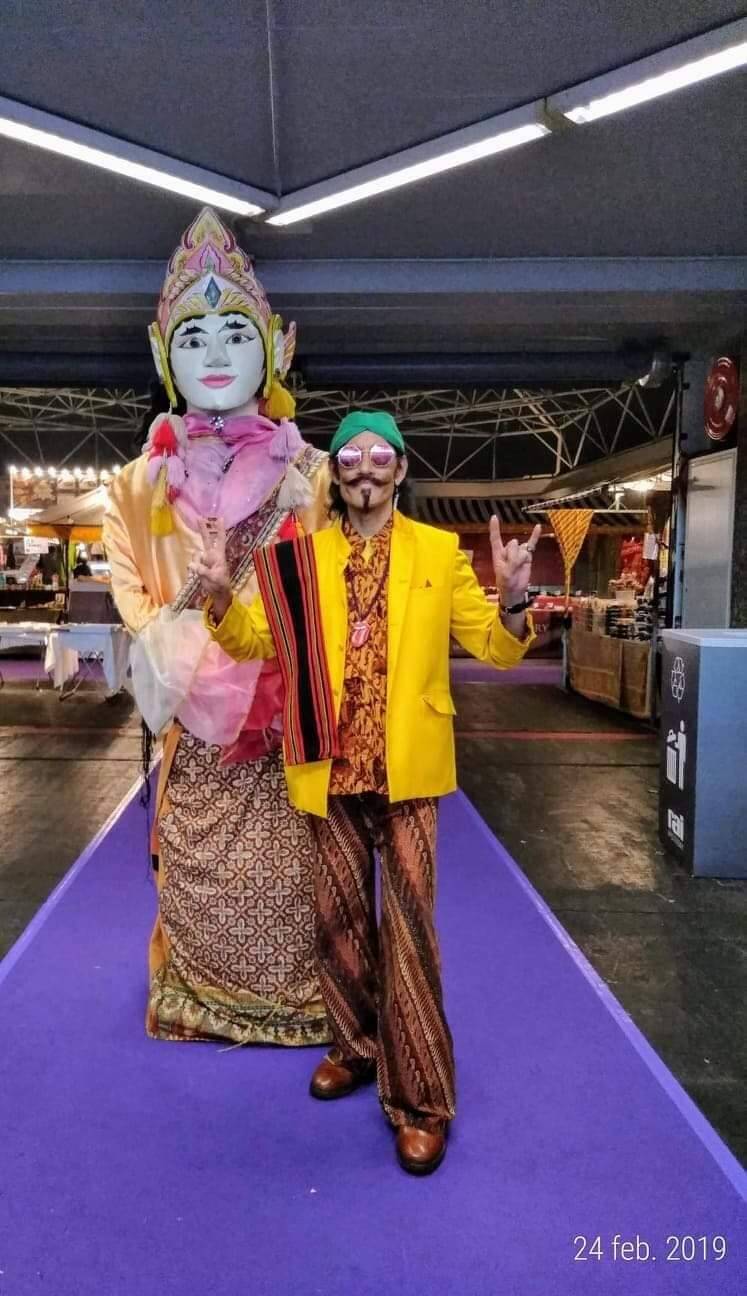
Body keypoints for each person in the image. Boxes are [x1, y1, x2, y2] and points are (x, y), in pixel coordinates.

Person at [195, 409, 540, 1174]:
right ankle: (353, 1047)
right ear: (336, 475)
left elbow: (495, 647)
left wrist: (513, 601)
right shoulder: (297, 560)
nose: (363, 469)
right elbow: (255, 643)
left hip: (409, 771)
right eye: (349, 458)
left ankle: (421, 1101)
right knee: (339, 921)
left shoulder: (439, 552)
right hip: (327, 764)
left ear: (400, 469)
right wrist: (219, 597)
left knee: (409, 930)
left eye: (378, 455)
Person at [103, 207, 331, 1048]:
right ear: (163, 355)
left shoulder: (310, 473)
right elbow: (128, 583)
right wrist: (183, 645)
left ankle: (302, 1000)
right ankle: (198, 995)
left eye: (235, 334)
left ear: (275, 348)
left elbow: (337, 586)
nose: (215, 355)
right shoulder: (139, 483)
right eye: (192, 339)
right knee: (195, 864)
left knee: (291, 865)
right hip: (192, 717)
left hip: (282, 714)